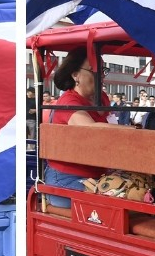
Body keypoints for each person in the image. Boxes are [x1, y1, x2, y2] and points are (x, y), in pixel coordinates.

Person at [42, 49, 111, 207]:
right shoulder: (69, 101)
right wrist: (136, 134)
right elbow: (91, 128)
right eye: (95, 71)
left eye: (103, 70)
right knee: (114, 198)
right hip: (66, 178)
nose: (102, 76)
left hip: (98, 175)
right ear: (75, 75)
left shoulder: (101, 98)